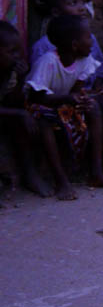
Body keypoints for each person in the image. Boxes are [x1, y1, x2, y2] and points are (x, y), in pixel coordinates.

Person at [24, 14, 103, 199]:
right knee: (45, 122)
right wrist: (69, 98)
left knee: (93, 109)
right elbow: (37, 96)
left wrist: (82, 99)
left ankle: (97, 172)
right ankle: (61, 181)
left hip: (62, 104)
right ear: (74, 45)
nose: (92, 41)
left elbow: (77, 90)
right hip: (40, 106)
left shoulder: (84, 60)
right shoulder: (49, 61)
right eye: (88, 36)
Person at [0, 20, 56, 198]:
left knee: (25, 122)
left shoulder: (7, 70)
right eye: (11, 52)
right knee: (19, 116)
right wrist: (18, 113)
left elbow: (12, 100)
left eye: (18, 50)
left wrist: (21, 78)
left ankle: (30, 174)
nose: (17, 56)